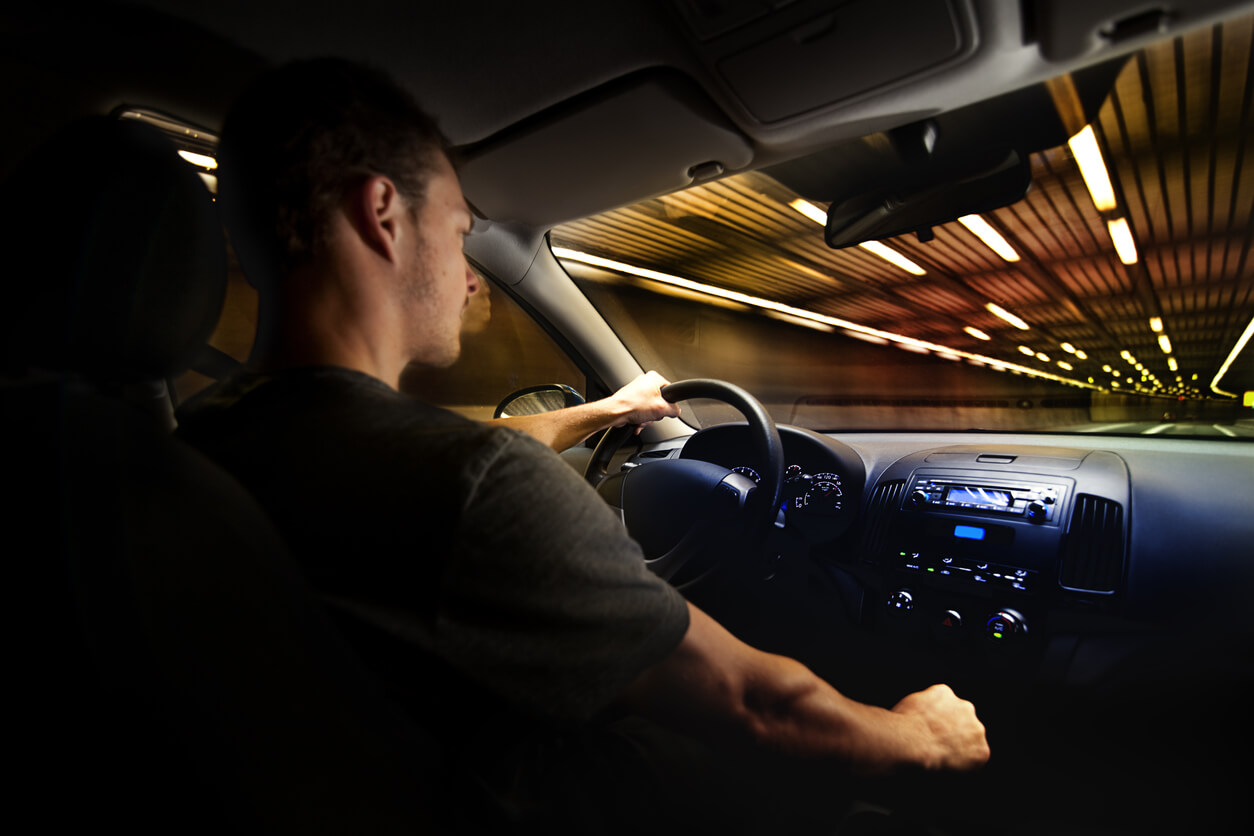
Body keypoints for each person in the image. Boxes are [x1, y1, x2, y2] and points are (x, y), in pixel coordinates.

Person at [178, 58, 988, 832]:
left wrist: (610, 409)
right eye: (460, 233)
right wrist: (922, 737)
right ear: (382, 215)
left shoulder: (208, 436)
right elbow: (755, 706)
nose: (468, 277)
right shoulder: (471, 489)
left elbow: (457, 446)